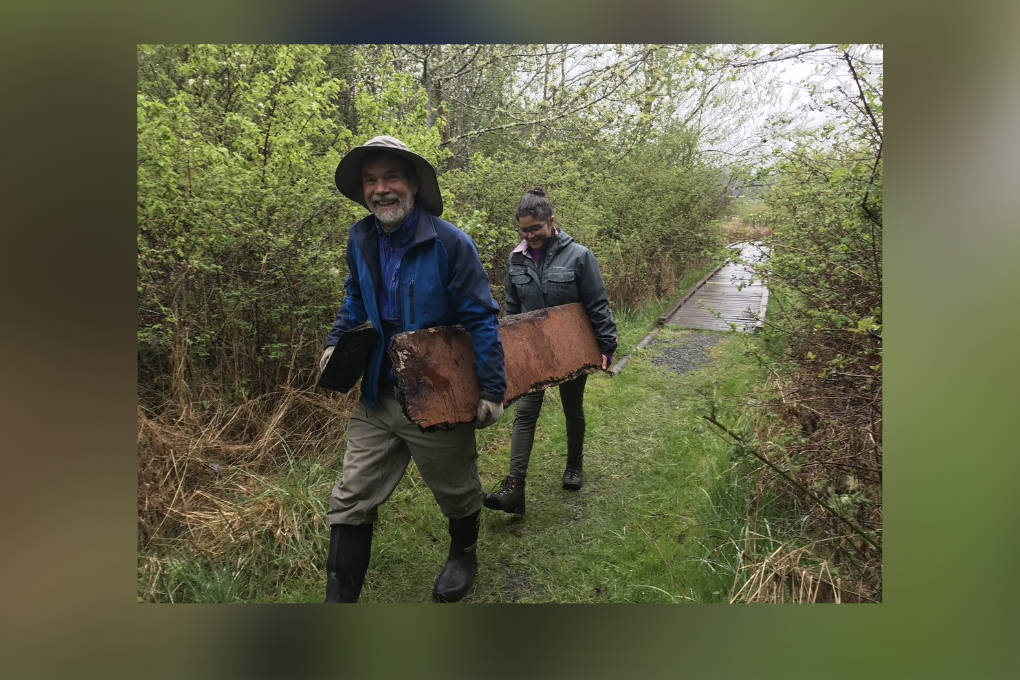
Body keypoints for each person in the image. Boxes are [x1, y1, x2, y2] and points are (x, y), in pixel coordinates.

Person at [320, 135, 506, 603]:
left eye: (391, 177)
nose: (381, 189)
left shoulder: (450, 243)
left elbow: (481, 317)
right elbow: (354, 300)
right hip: (378, 394)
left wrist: (492, 388)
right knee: (350, 499)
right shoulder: (360, 238)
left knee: (457, 490)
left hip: (437, 390)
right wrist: (333, 344)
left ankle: (464, 553)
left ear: (414, 185)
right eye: (370, 180)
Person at [483, 188, 618, 516]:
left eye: (535, 229)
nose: (530, 236)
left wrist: (607, 345)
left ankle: (574, 466)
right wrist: (510, 349)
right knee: (526, 412)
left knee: (573, 407)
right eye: (524, 231)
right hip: (533, 351)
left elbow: (597, 302)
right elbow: (512, 309)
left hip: (572, 347)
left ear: (551, 221)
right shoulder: (516, 259)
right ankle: (515, 487)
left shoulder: (580, 256)